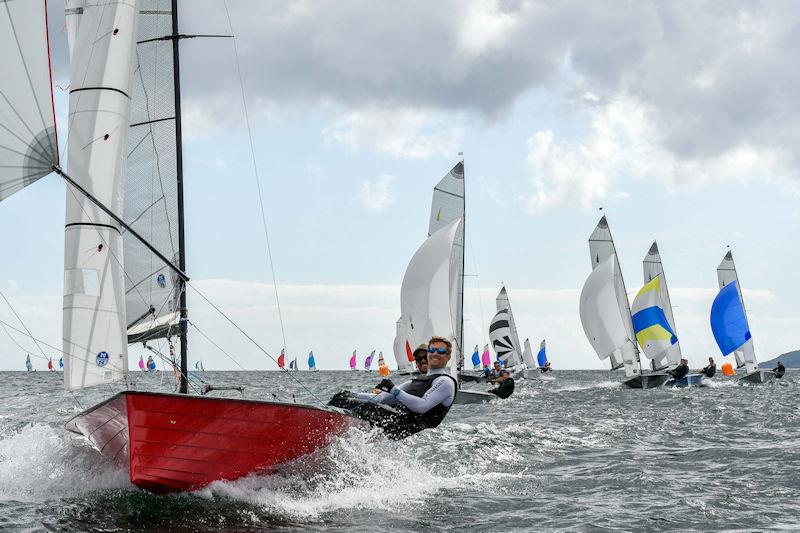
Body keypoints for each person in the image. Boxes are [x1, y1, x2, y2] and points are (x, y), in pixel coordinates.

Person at [328, 336, 458, 439]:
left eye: (440, 351)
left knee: (345, 403)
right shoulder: (418, 381)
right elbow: (384, 398)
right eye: (431, 350)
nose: (435, 353)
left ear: (448, 357)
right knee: (343, 399)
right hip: (397, 418)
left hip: (407, 424)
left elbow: (422, 406)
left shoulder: (445, 382)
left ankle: (323, 433)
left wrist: (394, 390)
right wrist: (353, 394)